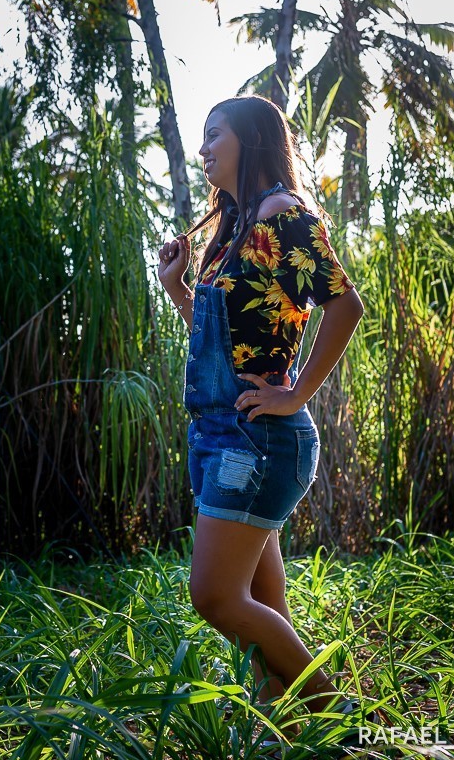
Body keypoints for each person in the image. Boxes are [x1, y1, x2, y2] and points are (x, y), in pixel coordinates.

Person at [156, 95, 365, 725]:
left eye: (214, 135)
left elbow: (345, 305)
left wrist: (296, 392)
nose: (203, 149)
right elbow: (225, 341)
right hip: (222, 432)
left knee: (216, 596)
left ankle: (336, 716)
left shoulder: (281, 216)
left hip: (259, 440)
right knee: (258, 600)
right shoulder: (234, 230)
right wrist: (177, 290)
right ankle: (291, 728)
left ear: (251, 139)